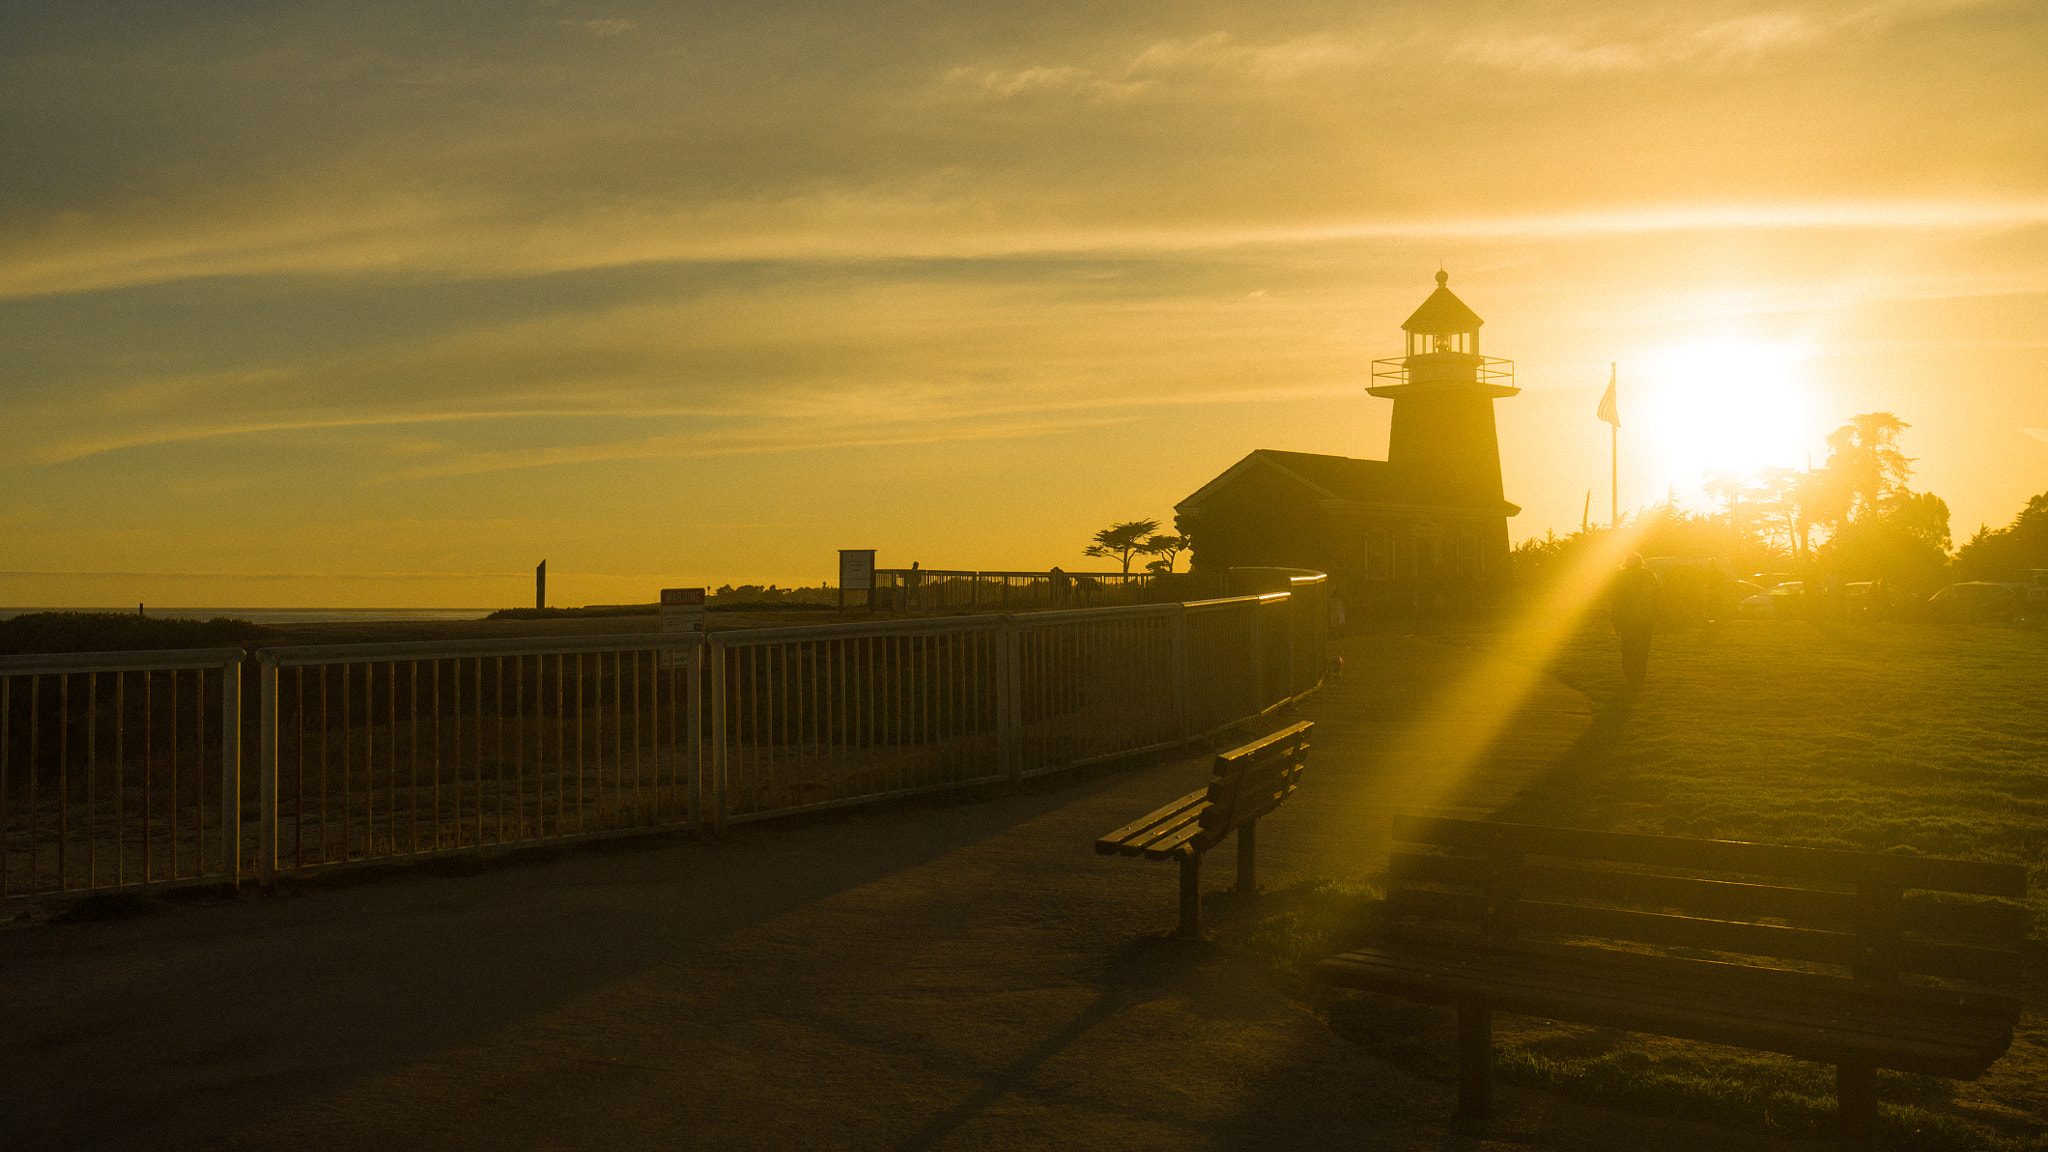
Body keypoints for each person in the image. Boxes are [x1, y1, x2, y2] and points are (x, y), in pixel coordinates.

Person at [1609, 553, 1662, 687]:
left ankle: (1630, 676)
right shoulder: (1649, 576)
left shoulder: (1620, 576)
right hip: (1645, 619)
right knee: (1643, 649)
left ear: (1626, 563)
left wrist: (1615, 620)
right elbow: (1658, 596)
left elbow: (1615, 599)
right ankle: (1639, 676)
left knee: (1627, 649)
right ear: (1641, 562)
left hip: (1626, 619)